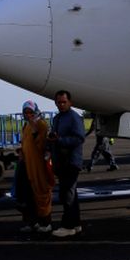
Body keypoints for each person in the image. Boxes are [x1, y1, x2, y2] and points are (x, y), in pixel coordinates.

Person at [48, 89, 86, 238]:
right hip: (61, 162)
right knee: (71, 194)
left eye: (64, 102)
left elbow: (79, 138)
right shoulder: (58, 118)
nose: (61, 104)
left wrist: (60, 140)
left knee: (67, 195)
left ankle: (68, 226)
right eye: (59, 102)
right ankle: (75, 224)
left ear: (70, 102)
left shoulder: (74, 117)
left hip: (71, 161)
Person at [15, 100, 54, 234]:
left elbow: (42, 146)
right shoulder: (26, 126)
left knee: (41, 193)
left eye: (30, 112)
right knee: (27, 195)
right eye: (26, 112)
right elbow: (26, 143)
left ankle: (46, 223)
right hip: (27, 165)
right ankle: (32, 223)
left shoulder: (41, 124)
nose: (28, 115)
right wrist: (21, 151)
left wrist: (35, 131)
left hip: (38, 166)